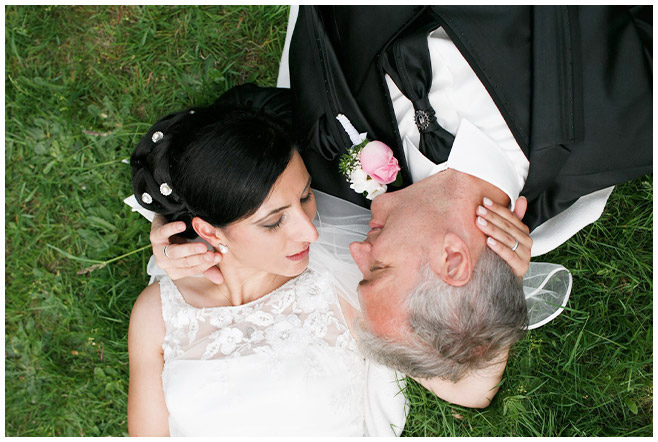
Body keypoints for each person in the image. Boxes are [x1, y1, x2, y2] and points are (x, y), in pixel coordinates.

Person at [150, 5, 651, 395]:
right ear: (453, 258)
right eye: (379, 270)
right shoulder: (629, 121)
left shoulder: (329, 177)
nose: (353, 251)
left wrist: (174, 222)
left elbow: (233, 124)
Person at [126, 84, 534, 436]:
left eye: (306, 196)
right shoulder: (158, 313)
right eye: (273, 222)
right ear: (210, 231)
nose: (311, 231)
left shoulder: (348, 290)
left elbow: (469, 390)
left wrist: (501, 281)